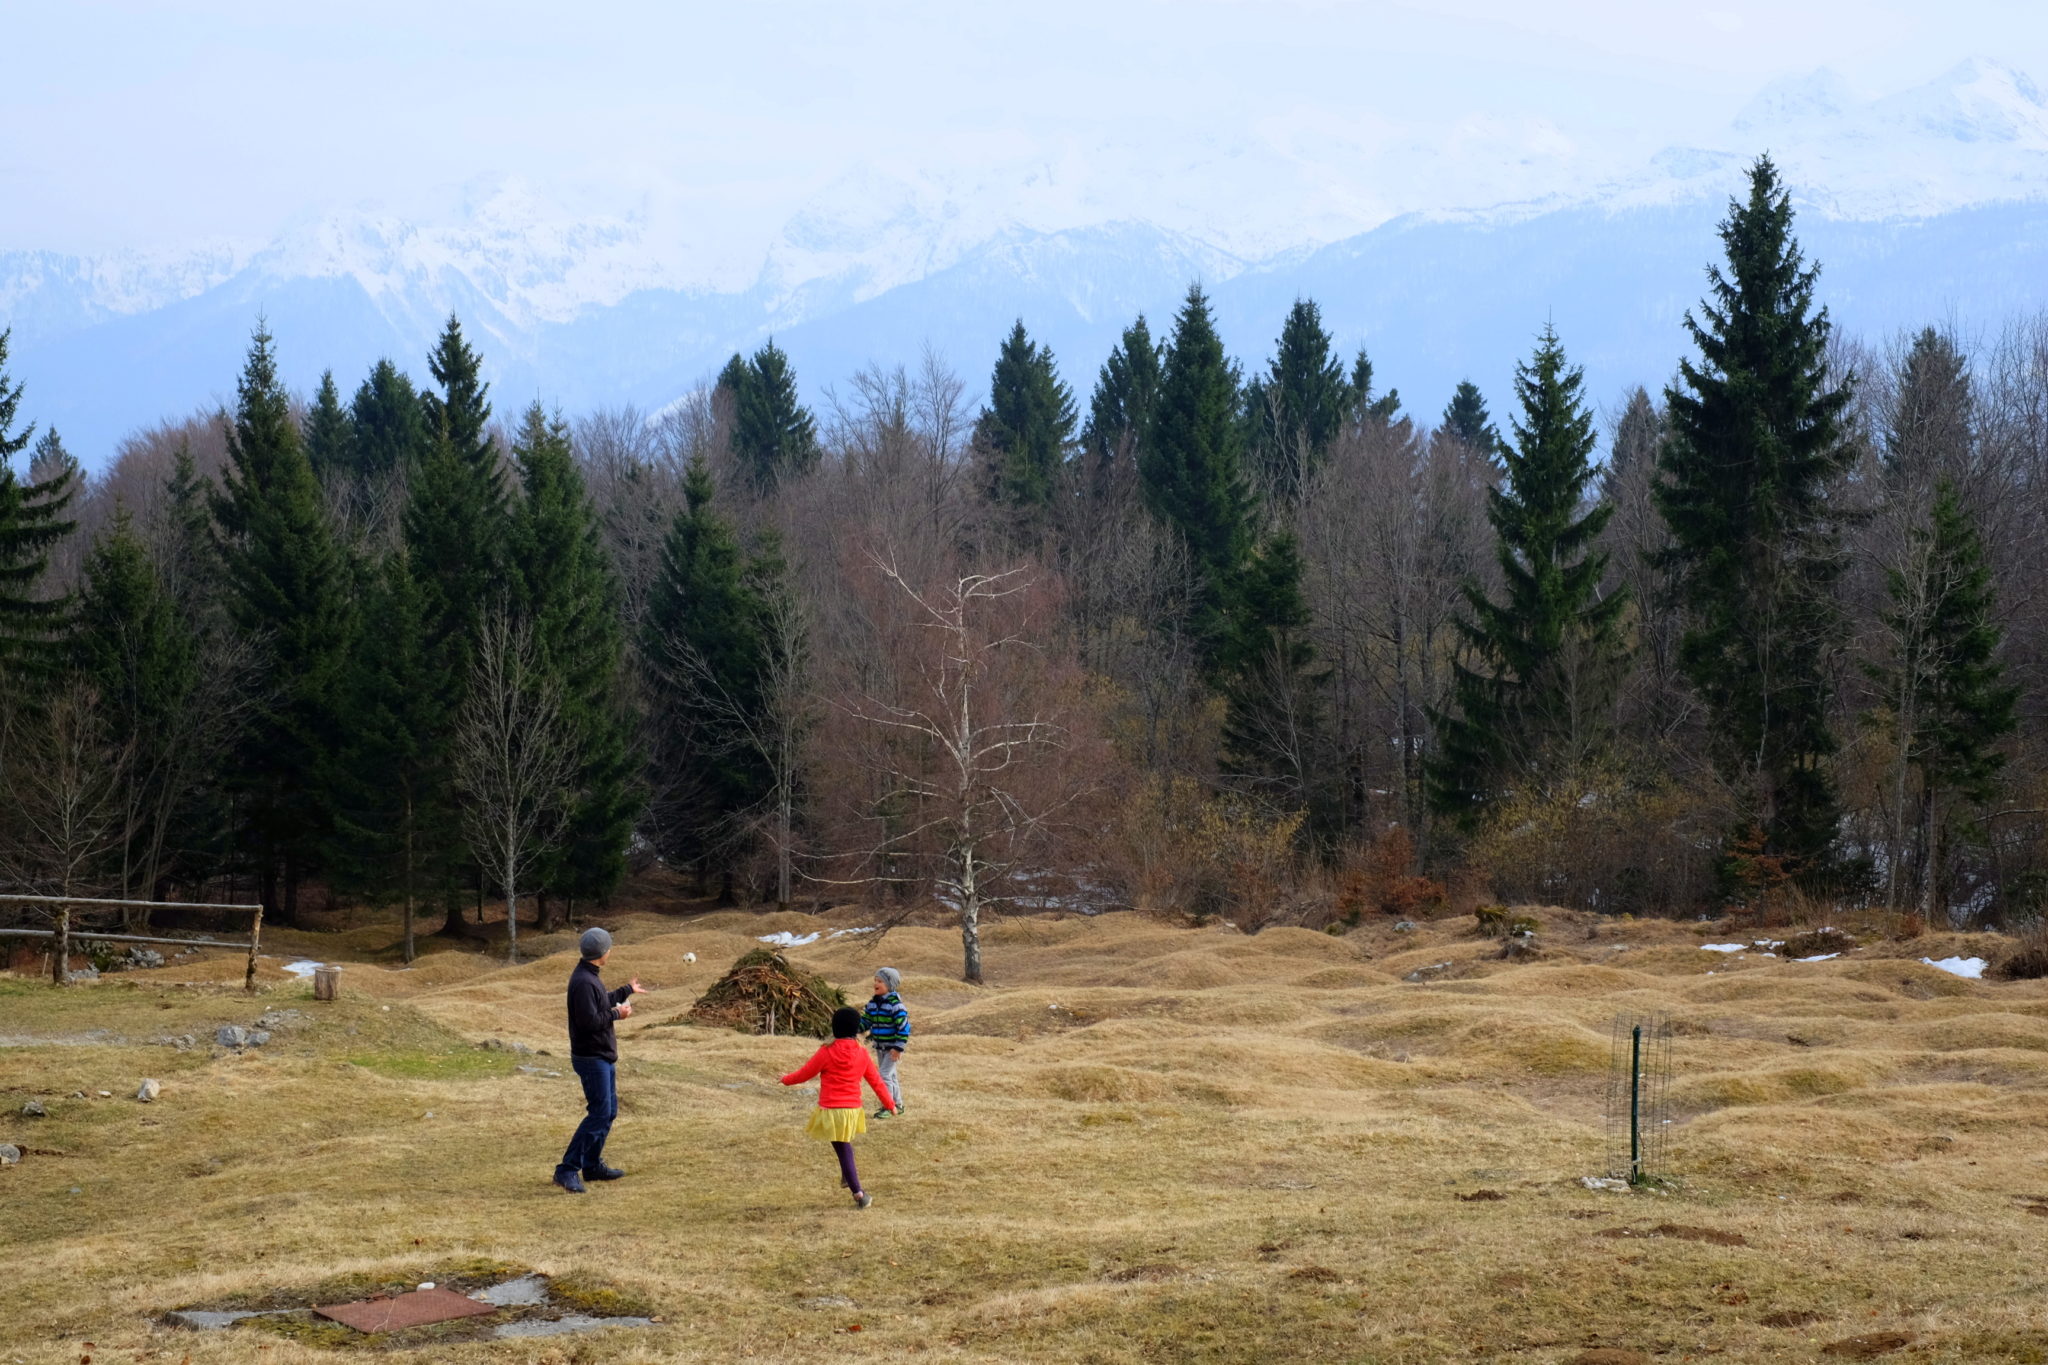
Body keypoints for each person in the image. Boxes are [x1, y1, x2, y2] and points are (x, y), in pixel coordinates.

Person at [554, 927, 645, 1193]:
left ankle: (592, 1166)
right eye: (609, 948)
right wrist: (619, 1015)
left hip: (601, 1056)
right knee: (599, 1114)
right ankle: (567, 1170)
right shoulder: (583, 981)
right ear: (602, 953)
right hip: (591, 1058)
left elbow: (598, 1002)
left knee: (609, 1112)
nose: (610, 951)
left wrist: (626, 991)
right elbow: (589, 1021)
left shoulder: (588, 977)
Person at [781, 1005, 896, 1208]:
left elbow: (805, 1073)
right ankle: (847, 1176)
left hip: (832, 1110)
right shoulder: (861, 1053)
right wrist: (890, 1104)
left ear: (834, 1028)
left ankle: (859, 1194)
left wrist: (785, 1079)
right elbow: (876, 1082)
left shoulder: (826, 1051)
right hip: (852, 1110)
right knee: (843, 1145)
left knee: (843, 1149)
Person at [860, 967, 911, 1118]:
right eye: (875, 980)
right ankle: (898, 1105)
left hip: (892, 1048)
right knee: (891, 1076)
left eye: (880, 981)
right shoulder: (872, 1004)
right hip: (880, 1047)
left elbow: (904, 1027)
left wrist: (898, 1047)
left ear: (890, 985)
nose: (876, 983)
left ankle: (887, 1106)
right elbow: (866, 1021)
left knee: (883, 1076)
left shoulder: (896, 1006)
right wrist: (856, 1028)